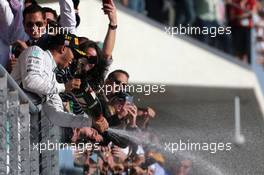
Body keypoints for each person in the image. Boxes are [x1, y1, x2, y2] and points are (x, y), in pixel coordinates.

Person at [11, 33, 108, 132]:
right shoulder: (36, 51)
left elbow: (56, 116)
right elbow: (30, 81)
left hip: (16, 125)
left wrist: (90, 122)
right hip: (6, 110)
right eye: (74, 55)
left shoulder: (53, 78)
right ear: (63, 49)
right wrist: (64, 87)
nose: (74, 60)